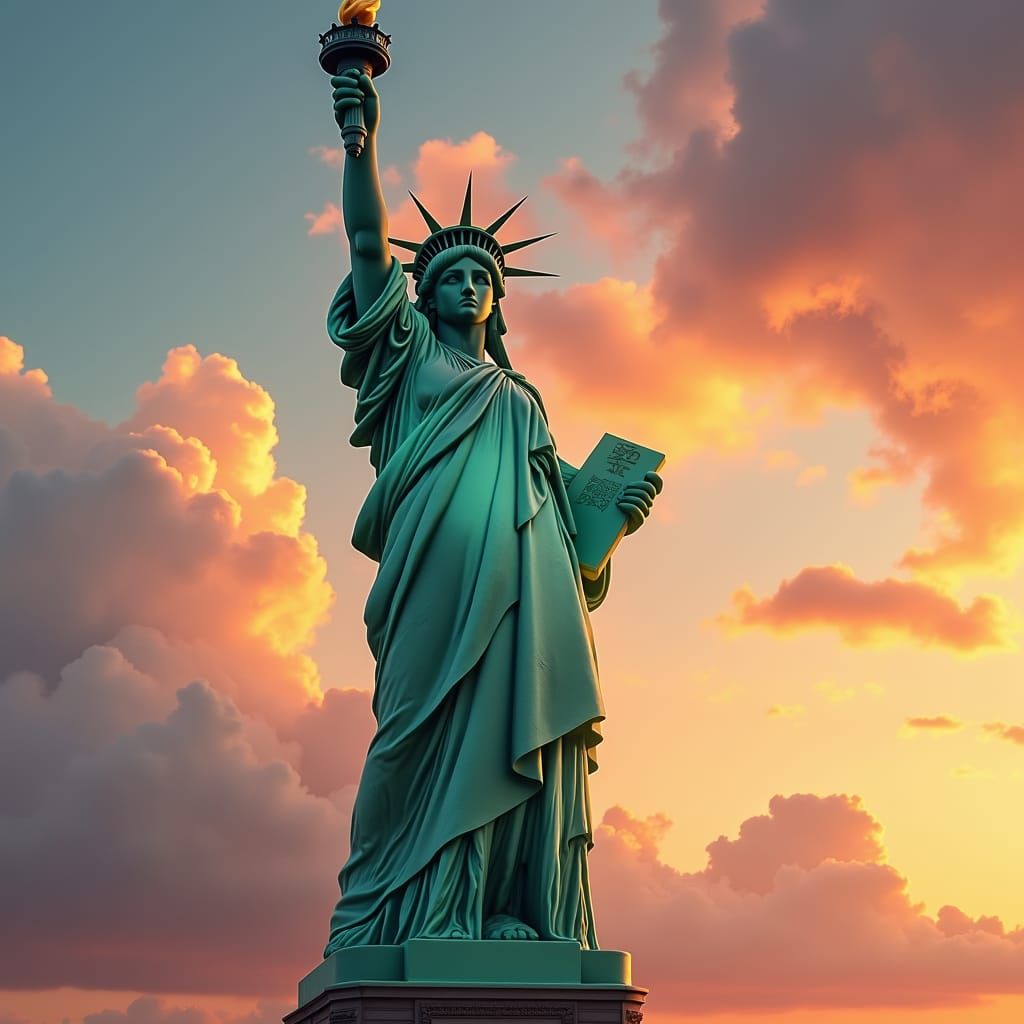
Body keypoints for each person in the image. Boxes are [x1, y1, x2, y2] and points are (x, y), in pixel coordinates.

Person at [323, 68, 661, 954]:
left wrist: (614, 518)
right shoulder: (404, 360)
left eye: (483, 276)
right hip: (436, 574)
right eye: (451, 276)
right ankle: (402, 910)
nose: (469, 286)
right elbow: (366, 244)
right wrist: (360, 139)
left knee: (519, 733)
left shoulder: (523, 398)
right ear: (423, 295)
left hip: (531, 591)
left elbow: (561, 535)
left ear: (499, 299)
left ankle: (488, 911)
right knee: (419, 732)